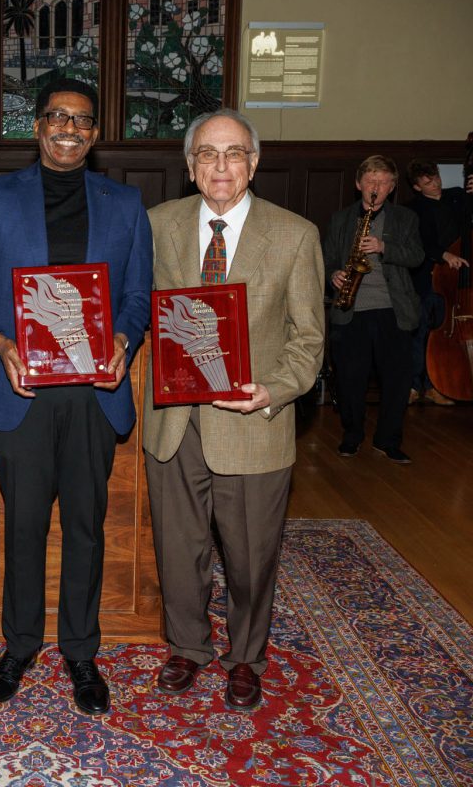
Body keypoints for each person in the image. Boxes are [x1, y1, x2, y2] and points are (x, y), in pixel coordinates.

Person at [0, 77, 152, 716]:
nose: (70, 129)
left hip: (94, 394)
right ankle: (18, 645)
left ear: (96, 134)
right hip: (22, 392)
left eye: (83, 121)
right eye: (58, 117)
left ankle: (81, 652)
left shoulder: (124, 205)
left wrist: (124, 336)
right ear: (37, 126)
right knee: (25, 523)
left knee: (88, 527)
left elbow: (138, 297)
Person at [141, 109, 324, 710]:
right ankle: (188, 647)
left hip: (253, 423)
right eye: (208, 155)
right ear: (190, 167)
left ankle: (246, 656)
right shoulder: (154, 226)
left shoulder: (295, 235)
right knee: (178, 546)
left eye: (235, 153)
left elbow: (309, 339)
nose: (221, 166)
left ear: (254, 162)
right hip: (173, 422)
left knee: (250, 557)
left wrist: (272, 390)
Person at [325, 155, 424, 464]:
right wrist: (333, 276)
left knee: (396, 381)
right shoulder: (341, 219)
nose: (376, 188)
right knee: (350, 379)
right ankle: (352, 436)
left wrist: (384, 248)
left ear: (392, 187)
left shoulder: (405, 218)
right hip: (351, 310)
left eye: (383, 183)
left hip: (393, 311)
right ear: (359, 185)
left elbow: (417, 256)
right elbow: (326, 260)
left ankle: (388, 440)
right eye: (371, 182)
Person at [405, 159, 473, 405]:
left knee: (444, 337)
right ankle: (411, 385)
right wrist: (443, 254)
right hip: (429, 278)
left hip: (461, 280)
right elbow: (419, 241)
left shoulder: (457, 197)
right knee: (420, 334)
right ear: (417, 187)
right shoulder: (412, 209)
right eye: (428, 182)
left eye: (437, 177)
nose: (435, 184)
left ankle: (436, 385)